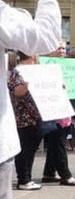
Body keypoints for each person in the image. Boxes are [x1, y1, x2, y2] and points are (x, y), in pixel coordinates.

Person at [8, 52, 45, 191]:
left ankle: (27, 177)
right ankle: (23, 179)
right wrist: (25, 87)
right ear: (32, 56)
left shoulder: (37, 71)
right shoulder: (17, 72)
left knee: (31, 148)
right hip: (23, 117)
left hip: (36, 115)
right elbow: (16, 91)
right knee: (25, 149)